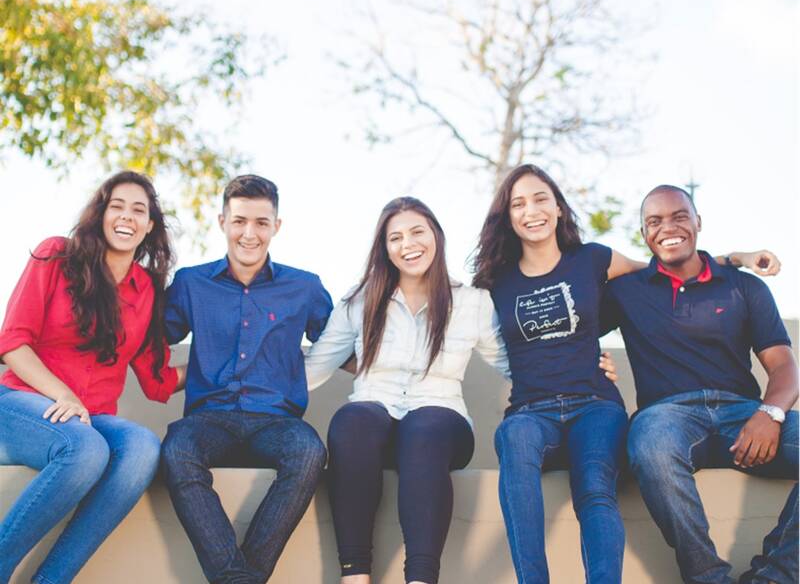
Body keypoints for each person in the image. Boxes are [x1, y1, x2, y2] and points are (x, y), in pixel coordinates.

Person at [471, 164, 777, 583]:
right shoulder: (495, 282)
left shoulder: (593, 259)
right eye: (518, 203)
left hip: (595, 404)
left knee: (595, 488)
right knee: (513, 444)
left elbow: (664, 268)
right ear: (507, 216)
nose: (532, 210)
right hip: (530, 409)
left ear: (559, 208)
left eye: (541, 198)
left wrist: (733, 259)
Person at [303, 196, 620, 584]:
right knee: (352, 418)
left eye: (417, 232)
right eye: (395, 238)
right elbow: (314, 367)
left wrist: (583, 364)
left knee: (425, 426)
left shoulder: (471, 302)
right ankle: (355, 576)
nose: (408, 244)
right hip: (373, 420)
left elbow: (518, 363)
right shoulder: (360, 300)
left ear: (436, 235)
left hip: (441, 423)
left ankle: (420, 578)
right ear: (384, 248)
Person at [602, 185, 797, 584]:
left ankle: (776, 575)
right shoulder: (625, 291)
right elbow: (569, 317)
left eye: (678, 216)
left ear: (698, 223)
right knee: (650, 446)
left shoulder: (744, 286)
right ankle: (707, 578)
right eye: (654, 221)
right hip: (667, 417)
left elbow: (784, 366)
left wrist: (770, 413)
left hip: (743, 416)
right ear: (644, 234)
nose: (667, 228)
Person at [0, 171, 180, 584]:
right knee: (85, 450)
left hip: (91, 416)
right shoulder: (57, 256)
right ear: (101, 214)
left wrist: (229, 366)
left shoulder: (147, 289)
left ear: (150, 225)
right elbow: (13, 341)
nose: (126, 217)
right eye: (117, 205)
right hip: (22, 403)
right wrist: (62, 395)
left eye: (139, 210)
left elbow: (158, 381)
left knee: (142, 449)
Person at [160, 174, 333, 583]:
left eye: (260, 222)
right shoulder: (190, 283)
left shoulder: (304, 287)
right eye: (239, 221)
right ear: (222, 222)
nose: (249, 233)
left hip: (277, 421)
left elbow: (344, 347)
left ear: (277, 226)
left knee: (309, 452)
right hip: (209, 419)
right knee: (176, 450)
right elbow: (148, 339)